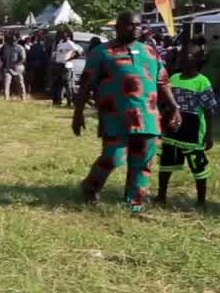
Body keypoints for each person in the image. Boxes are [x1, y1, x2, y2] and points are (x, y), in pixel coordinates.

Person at [73, 12, 182, 213]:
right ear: (118, 27)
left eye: (139, 25)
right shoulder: (101, 52)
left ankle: (135, 203)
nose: (135, 28)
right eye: (130, 25)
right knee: (113, 157)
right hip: (115, 115)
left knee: (143, 161)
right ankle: (90, 186)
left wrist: (175, 107)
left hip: (148, 116)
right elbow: (85, 86)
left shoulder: (150, 51)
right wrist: (78, 114)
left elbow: (163, 82)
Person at [156, 45, 217, 209]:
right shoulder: (174, 77)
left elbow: (209, 110)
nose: (182, 58)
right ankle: (161, 195)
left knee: (197, 165)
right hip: (173, 129)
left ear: (197, 60)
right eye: (181, 55)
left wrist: (208, 135)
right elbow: (165, 102)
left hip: (193, 130)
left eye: (187, 55)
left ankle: (201, 200)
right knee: (166, 162)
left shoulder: (202, 82)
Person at [51, 28, 82, 106]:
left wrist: (69, 59)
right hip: (58, 65)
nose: (60, 35)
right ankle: (58, 101)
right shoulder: (60, 42)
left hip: (65, 66)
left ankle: (69, 102)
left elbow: (78, 53)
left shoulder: (70, 43)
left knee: (67, 84)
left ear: (66, 35)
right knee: (58, 84)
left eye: (62, 34)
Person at [2, 33, 28, 101]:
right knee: (6, 82)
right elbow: (3, 56)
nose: (12, 42)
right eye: (11, 40)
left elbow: (23, 58)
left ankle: (23, 97)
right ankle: (6, 97)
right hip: (8, 68)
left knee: (20, 83)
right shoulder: (6, 47)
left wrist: (17, 64)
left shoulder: (20, 48)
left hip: (17, 68)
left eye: (14, 40)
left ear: (16, 40)